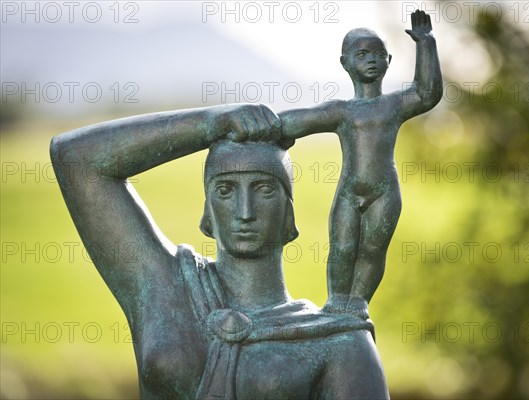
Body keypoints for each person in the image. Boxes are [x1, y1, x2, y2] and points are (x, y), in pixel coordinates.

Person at [50, 104, 389, 399]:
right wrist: (212, 124)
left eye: (264, 189)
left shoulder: (337, 342)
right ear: (207, 212)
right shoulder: (167, 287)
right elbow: (76, 159)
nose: (245, 211)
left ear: (290, 216)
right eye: (225, 191)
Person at [278, 10, 443, 319]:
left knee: (372, 251)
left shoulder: (393, 105)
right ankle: (336, 301)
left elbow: (427, 92)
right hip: (349, 192)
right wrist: (265, 125)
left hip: (384, 192)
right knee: (341, 248)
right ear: (345, 63)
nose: (371, 60)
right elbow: (296, 121)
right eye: (362, 54)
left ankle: (358, 302)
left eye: (378, 54)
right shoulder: (342, 112)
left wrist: (426, 44)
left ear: (389, 61)